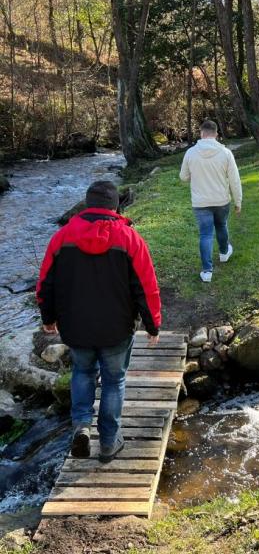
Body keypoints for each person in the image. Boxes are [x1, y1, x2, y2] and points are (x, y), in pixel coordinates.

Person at [36, 180, 161, 463]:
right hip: (117, 328)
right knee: (114, 381)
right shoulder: (130, 239)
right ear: (115, 206)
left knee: (82, 372)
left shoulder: (62, 237)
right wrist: (153, 325)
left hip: (76, 326)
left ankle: (82, 425)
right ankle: (108, 442)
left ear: (87, 205)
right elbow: (146, 286)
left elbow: (45, 283)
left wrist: (49, 318)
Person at [179, 119, 242, 283]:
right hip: (221, 200)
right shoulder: (225, 153)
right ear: (216, 134)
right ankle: (223, 253)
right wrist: (238, 201)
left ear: (201, 133)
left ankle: (207, 271)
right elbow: (234, 180)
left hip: (200, 202)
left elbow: (183, 177)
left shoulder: (191, 153)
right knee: (221, 225)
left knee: (205, 234)